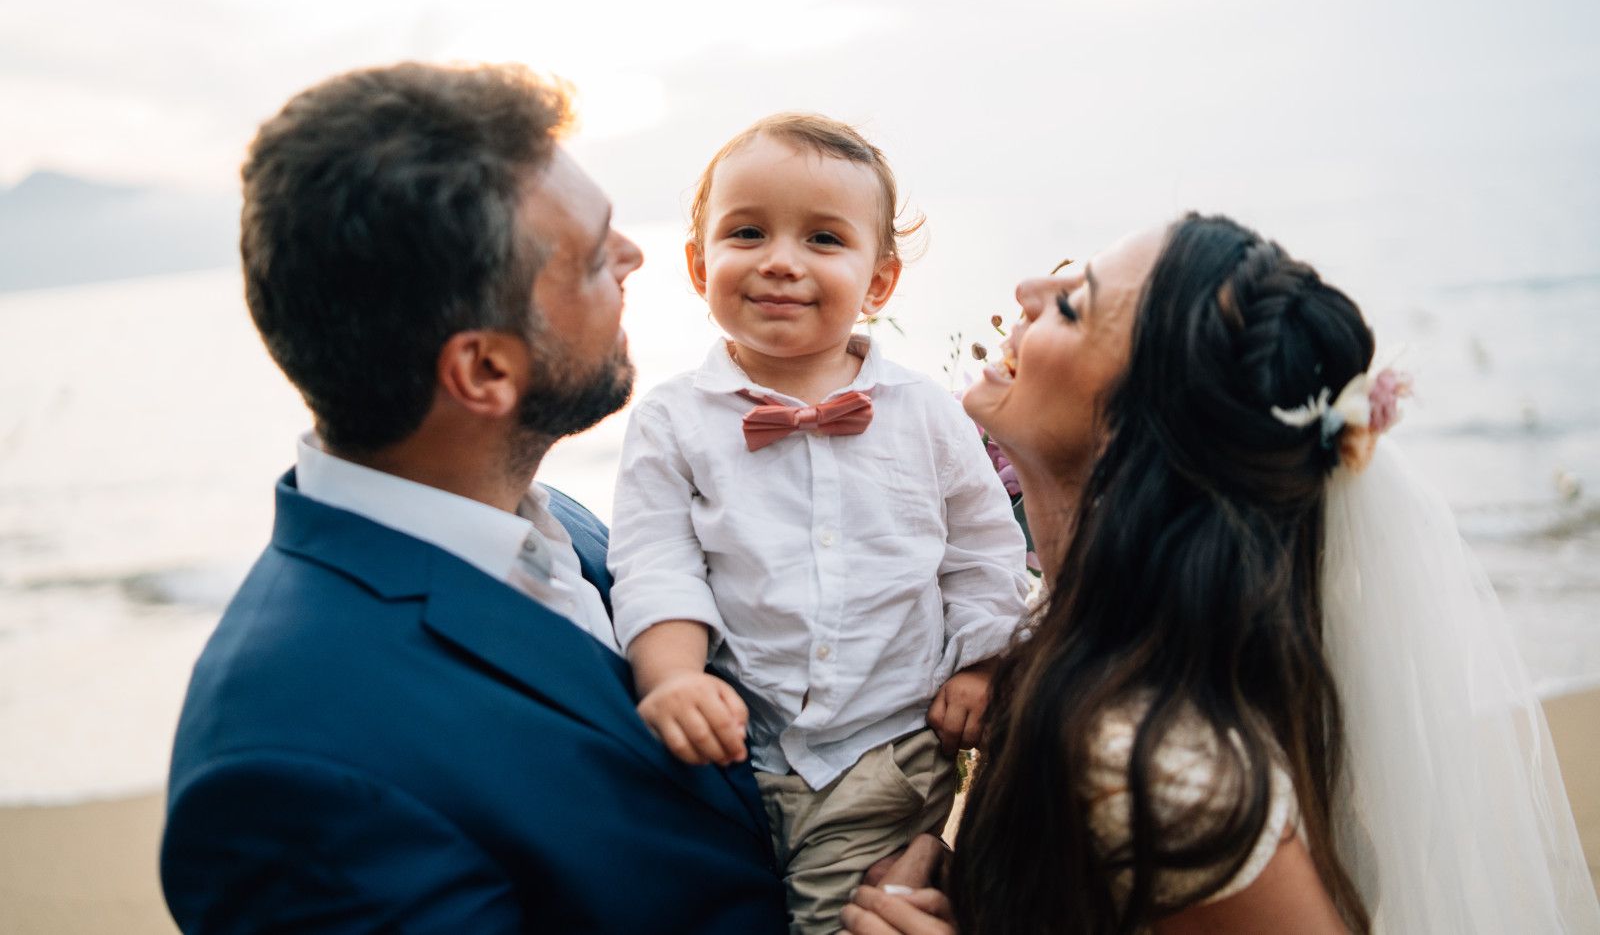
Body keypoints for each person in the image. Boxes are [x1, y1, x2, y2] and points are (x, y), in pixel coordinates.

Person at [159, 62, 788, 933]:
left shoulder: (554, 518)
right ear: (485, 369)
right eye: (594, 254)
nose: (634, 255)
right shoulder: (290, 759)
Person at [842, 214, 1600, 933]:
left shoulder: (1156, 758)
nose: (1028, 294)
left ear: (1131, 437)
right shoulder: (1077, 641)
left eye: (1072, 308)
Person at [605, 114, 1030, 933]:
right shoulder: (672, 421)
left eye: (824, 239)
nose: (780, 260)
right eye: (748, 231)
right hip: (735, 748)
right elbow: (656, 559)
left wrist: (982, 666)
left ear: (879, 282)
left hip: (887, 750)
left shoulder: (927, 416)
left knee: (846, 918)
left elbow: (981, 550)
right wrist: (673, 677)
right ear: (700, 266)